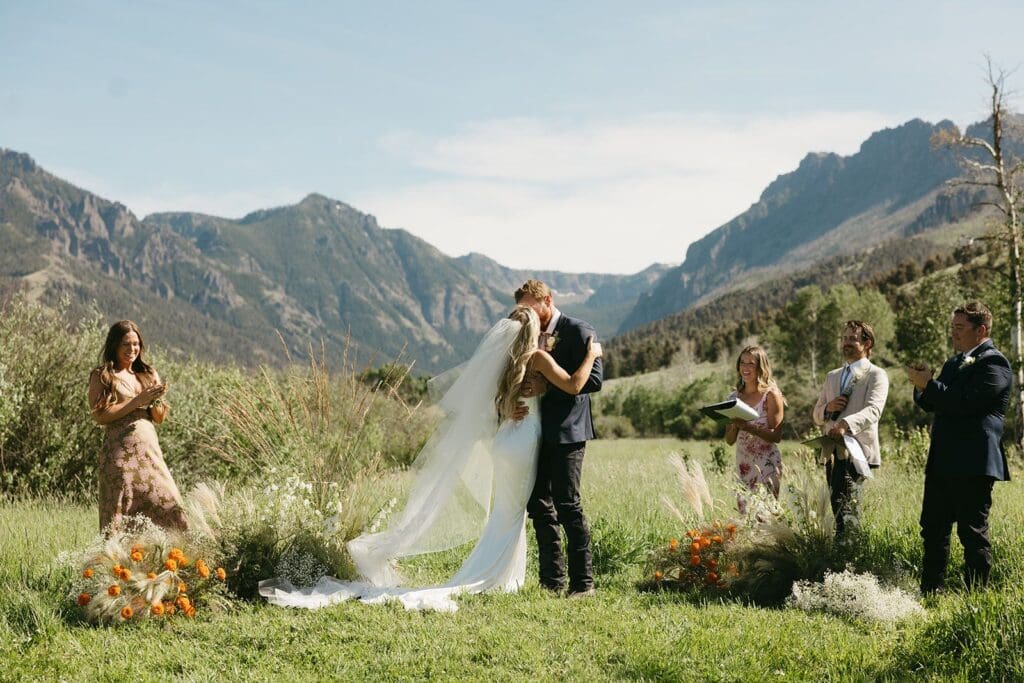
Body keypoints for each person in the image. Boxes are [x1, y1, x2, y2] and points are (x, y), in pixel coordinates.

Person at [260, 305, 602, 612]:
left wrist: (511, 405)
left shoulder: (507, 364)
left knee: (510, 510)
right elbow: (573, 385)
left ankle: (512, 576)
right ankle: (494, 575)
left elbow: (494, 404)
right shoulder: (537, 359)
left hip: (507, 442)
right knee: (516, 512)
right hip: (525, 442)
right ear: (531, 333)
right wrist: (591, 354)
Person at [906, 301, 1011, 594]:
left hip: (974, 461)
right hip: (943, 460)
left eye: (960, 328)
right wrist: (921, 385)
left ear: (981, 330)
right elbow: (932, 403)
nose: (953, 333)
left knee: (972, 532)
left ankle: (975, 598)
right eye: (952, 327)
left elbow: (966, 403)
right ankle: (930, 592)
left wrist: (931, 386)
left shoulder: (995, 364)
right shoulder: (954, 362)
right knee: (933, 528)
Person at [515, 279, 603, 598]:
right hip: (535, 430)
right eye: (521, 309)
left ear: (547, 300)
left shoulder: (578, 330)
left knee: (568, 503)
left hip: (569, 430)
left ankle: (583, 583)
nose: (526, 313)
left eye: (530, 307)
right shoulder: (525, 334)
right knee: (538, 503)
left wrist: (548, 386)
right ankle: (552, 580)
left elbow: (594, 381)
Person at [87, 320, 187, 532]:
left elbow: (158, 418)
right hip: (119, 458)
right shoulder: (103, 376)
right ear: (114, 345)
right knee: (120, 514)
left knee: (170, 505)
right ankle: (115, 562)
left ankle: (173, 558)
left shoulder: (147, 373)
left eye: (136, 344)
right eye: (126, 344)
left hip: (149, 453)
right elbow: (100, 416)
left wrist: (157, 400)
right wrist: (136, 401)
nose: (132, 349)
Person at [812, 320, 890, 536]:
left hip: (858, 452)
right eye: (844, 338)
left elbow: (874, 410)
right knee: (837, 509)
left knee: (849, 511)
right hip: (831, 452)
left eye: (853, 339)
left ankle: (851, 558)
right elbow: (816, 414)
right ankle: (839, 557)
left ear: (868, 343)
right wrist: (828, 408)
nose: (846, 343)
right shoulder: (832, 376)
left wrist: (846, 424)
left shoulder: (877, 375)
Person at [725, 345, 784, 506]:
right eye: (742, 362)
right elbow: (729, 440)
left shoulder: (771, 394)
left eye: (751, 363)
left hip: (767, 464)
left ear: (760, 367)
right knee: (746, 518)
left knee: (766, 516)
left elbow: (776, 436)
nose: (745, 367)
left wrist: (748, 426)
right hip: (743, 465)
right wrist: (734, 426)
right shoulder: (733, 397)